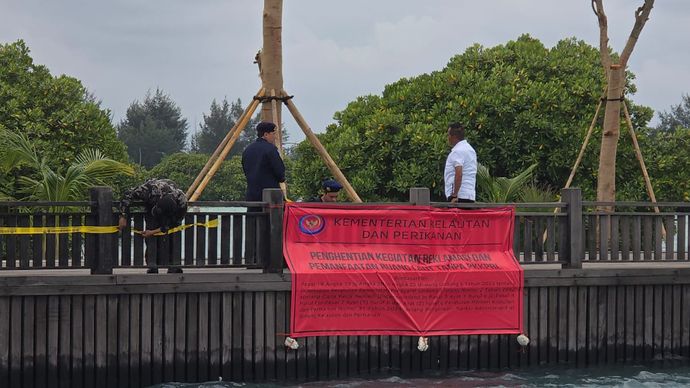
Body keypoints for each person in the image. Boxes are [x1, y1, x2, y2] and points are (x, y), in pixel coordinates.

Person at [117, 178, 187, 274]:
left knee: (172, 236)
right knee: (151, 238)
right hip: (151, 210)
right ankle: (152, 266)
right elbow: (128, 194)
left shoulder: (182, 201)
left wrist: (153, 232)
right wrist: (123, 216)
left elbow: (173, 224)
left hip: (170, 215)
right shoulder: (149, 190)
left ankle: (173, 266)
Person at [241, 121, 286, 208]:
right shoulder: (270, 149)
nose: (275, 137)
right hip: (270, 197)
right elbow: (280, 172)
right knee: (271, 220)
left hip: (252, 196)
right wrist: (282, 178)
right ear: (266, 134)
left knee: (253, 220)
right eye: (273, 133)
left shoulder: (247, 150)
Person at [444, 123, 477, 203]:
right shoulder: (470, 150)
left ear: (454, 137)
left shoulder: (457, 151)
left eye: (449, 135)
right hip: (469, 194)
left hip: (458, 196)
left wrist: (454, 194)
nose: (448, 138)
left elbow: (459, 173)